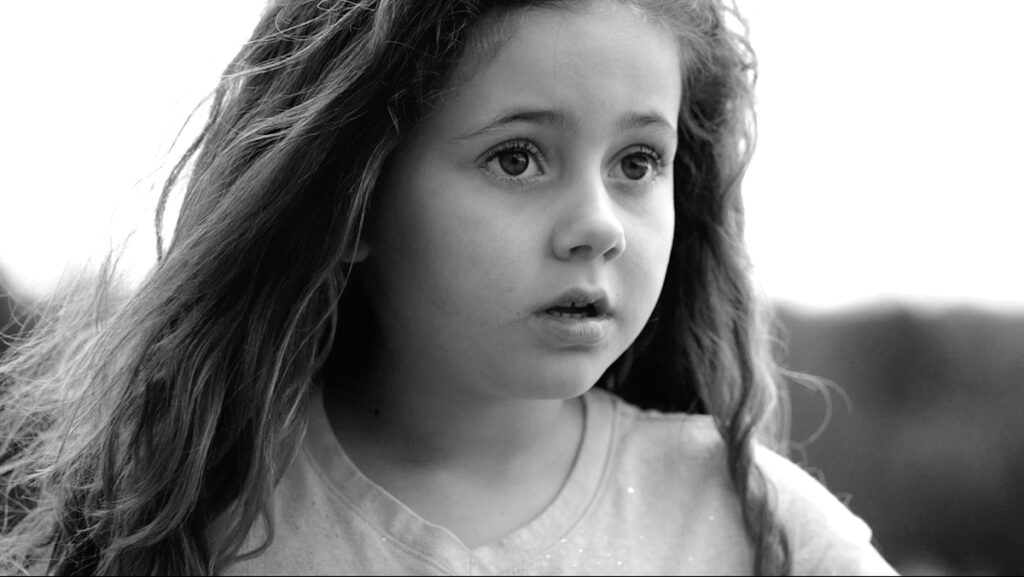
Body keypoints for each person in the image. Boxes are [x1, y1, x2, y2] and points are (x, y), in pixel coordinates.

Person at [0, 0, 898, 574]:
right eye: (518, 157)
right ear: (353, 202)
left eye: (638, 161)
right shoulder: (188, 518)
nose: (600, 222)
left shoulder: (759, 531)